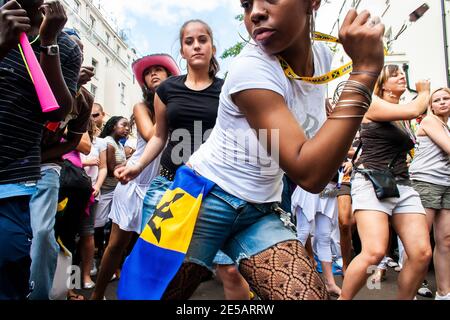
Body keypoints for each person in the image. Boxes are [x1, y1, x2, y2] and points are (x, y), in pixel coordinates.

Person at [118, 0, 385, 300]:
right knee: (143, 295)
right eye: (247, 4)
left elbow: (317, 145)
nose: (255, 12)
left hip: (260, 210)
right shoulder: (251, 68)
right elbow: (310, 174)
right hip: (202, 199)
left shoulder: (323, 57)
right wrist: (364, 72)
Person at [0, 0, 82, 300]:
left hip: (13, 180)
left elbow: (58, 111)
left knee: (13, 265)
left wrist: (49, 42)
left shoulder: (64, 43)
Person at [90, 54, 179, 300]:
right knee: (116, 245)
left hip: (163, 187)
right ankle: (97, 294)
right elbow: (152, 135)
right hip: (133, 183)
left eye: (159, 70)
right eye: (149, 72)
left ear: (170, 76)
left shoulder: (180, 105)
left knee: (154, 249)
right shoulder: (142, 108)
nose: (153, 74)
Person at [340, 65, 432, 300]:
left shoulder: (399, 115)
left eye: (403, 72)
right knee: (374, 251)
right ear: (381, 83)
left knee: (421, 253)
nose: (402, 75)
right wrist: (424, 91)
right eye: (395, 74)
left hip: (402, 183)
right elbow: (416, 109)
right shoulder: (372, 102)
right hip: (372, 180)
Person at [409, 87, 450, 300]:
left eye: (446, 98)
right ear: (431, 106)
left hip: (446, 184)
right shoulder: (430, 121)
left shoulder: (446, 126)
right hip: (426, 182)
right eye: (437, 100)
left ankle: (444, 293)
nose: (442, 102)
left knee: (446, 240)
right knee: (419, 242)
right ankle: (410, 290)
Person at [94, 116, 129, 262]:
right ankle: (98, 254)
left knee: (110, 223)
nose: (127, 129)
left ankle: (104, 254)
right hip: (106, 190)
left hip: (115, 189)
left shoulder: (119, 145)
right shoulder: (108, 142)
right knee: (99, 224)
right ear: (114, 126)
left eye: (129, 126)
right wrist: (129, 165)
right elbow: (110, 169)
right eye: (124, 125)